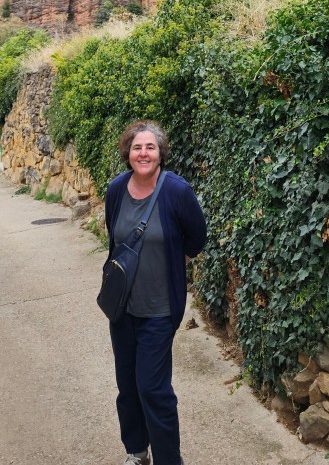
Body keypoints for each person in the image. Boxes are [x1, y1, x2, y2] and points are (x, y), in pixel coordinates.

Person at [104, 120, 207, 465]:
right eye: (137, 147)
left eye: (150, 147)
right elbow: (114, 238)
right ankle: (136, 452)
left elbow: (197, 238)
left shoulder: (177, 191)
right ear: (128, 152)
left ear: (160, 152)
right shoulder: (116, 189)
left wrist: (173, 259)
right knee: (127, 386)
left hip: (160, 310)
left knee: (153, 388)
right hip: (122, 308)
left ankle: (168, 459)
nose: (143, 153)